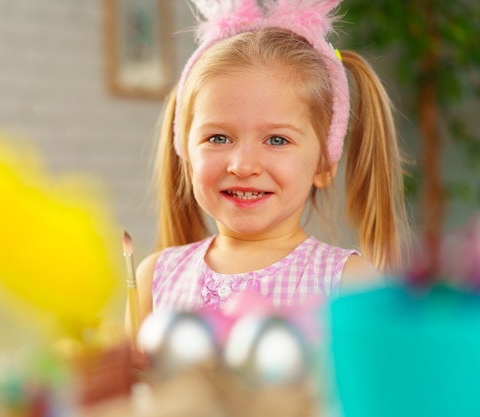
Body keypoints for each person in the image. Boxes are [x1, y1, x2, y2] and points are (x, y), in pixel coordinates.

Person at [127, 0, 410, 334]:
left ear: (323, 163)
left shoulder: (349, 283)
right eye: (218, 138)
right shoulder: (153, 279)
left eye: (277, 140)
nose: (243, 165)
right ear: (186, 153)